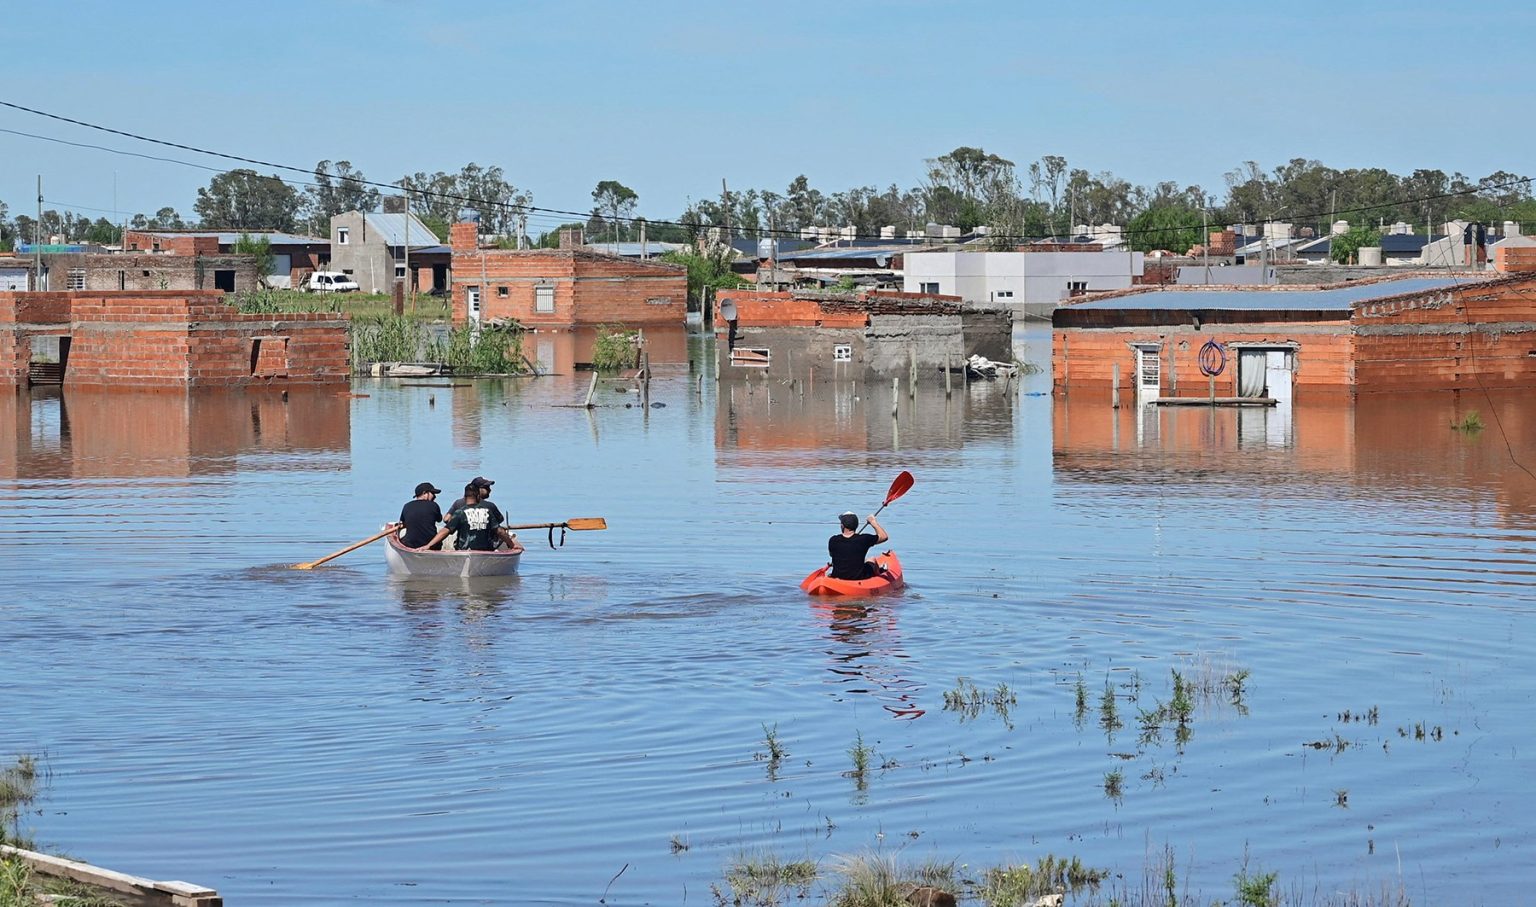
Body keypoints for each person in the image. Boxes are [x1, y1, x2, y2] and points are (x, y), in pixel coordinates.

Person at [420, 483, 524, 553]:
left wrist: (428, 545)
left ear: (465, 497)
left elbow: (445, 531)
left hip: (464, 551)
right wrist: (511, 544)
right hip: (485, 552)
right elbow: (499, 531)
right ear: (478, 496)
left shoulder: (460, 513)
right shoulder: (487, 512)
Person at [827, 511, 888, 580]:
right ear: (856, 526)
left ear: (842, 526)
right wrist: (873, 522)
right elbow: (884, 537)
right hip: (858, 578)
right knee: (872, 560)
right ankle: (878, 577)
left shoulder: (833, 540)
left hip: (837, 577)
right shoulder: (864, 539)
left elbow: (831, 555)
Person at [397, 481, 443, 549]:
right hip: (431, 545)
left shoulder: (407, 506)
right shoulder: (434, 506)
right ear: (425, 493)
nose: (434, 496)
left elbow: (403, 523)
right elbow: (439, 519)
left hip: (410, 544)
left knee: (403, 539)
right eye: (432, 493)